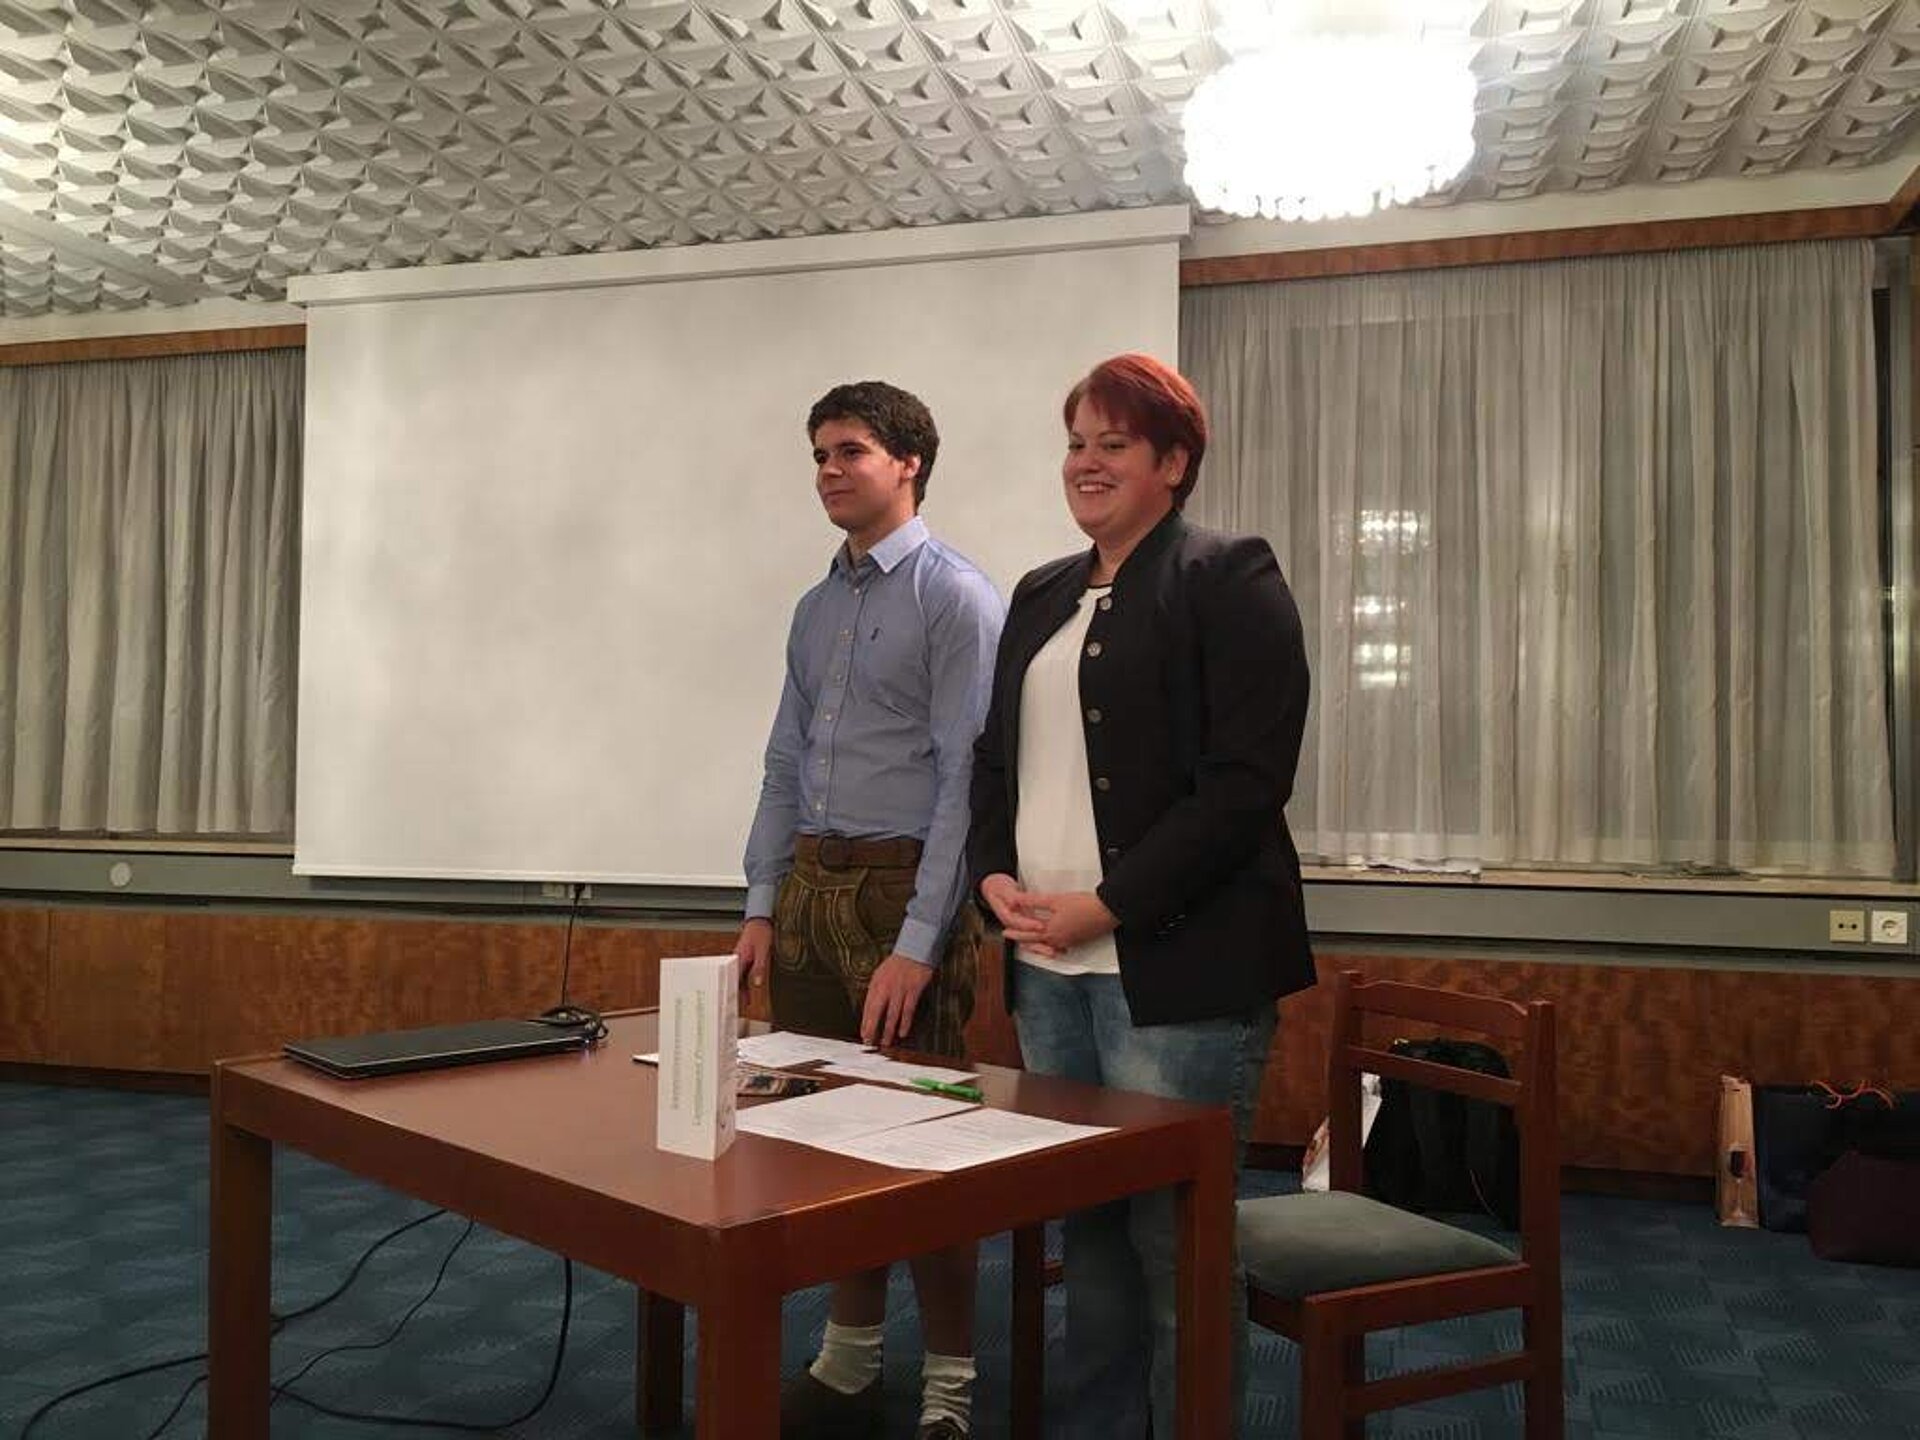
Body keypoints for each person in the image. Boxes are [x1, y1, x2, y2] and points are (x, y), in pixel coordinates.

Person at [967, 352, 1313, 1438]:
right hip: (1047, 971)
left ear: (1174, 461)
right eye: (1076, 442)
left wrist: (1108, 905)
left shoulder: (1229, 576)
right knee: (1092, 1230)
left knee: (1175, 1240)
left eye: (1113, 443)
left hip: (1177, 974)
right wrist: (991, 878)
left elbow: (1245, 785)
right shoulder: (1040, 593)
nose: (1086, 462)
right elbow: (993, 761)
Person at [736, 380, 1005, 1440]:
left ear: (909, 463)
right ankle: (849, 1361)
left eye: (849, 450)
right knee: (821, 1139)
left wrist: (921, 942)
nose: (829, 471)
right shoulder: (815, 609)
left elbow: (965, 784)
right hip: (812, 887)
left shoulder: (956, 598)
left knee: (922, 1149)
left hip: (905, 896)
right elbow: (784, 760)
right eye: (819, 454)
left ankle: (950, 1386)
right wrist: (763, 903)